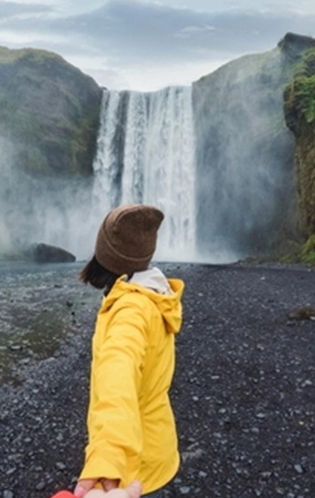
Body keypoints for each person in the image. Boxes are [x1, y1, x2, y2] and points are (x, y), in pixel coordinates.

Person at [74, 204, 185, 498]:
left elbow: (117, 379)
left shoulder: (130, 312)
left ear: (105, 253)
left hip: (133, 470)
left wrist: (108, 456)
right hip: (159, 448)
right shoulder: (154, 294)